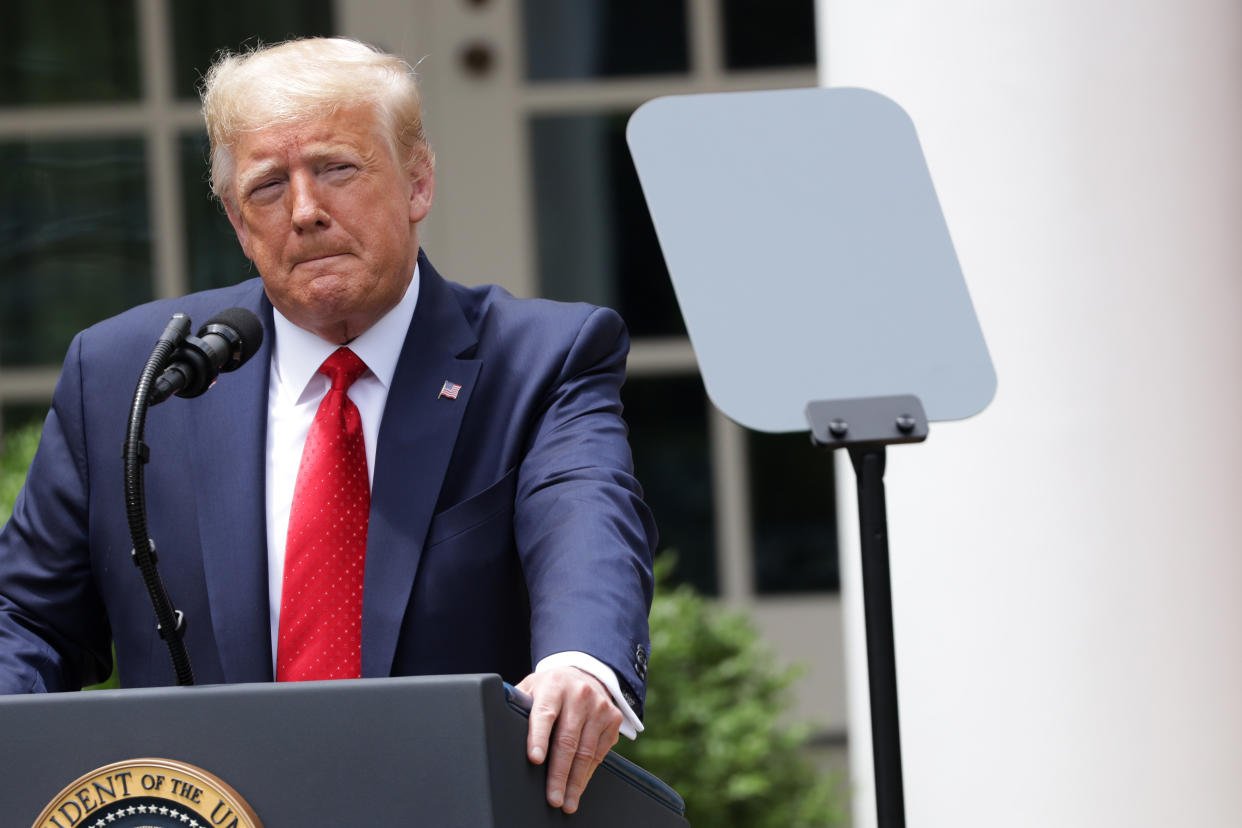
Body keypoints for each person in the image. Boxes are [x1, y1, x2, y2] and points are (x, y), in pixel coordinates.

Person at [0, 38, 656, 815]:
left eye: (337, 169)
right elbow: (27, 618)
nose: (305, 211)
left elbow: (587, 520)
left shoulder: (540, 360)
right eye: (269, 186)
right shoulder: (127, 377)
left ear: (417, 181)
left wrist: (581, 665)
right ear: (241, 226)